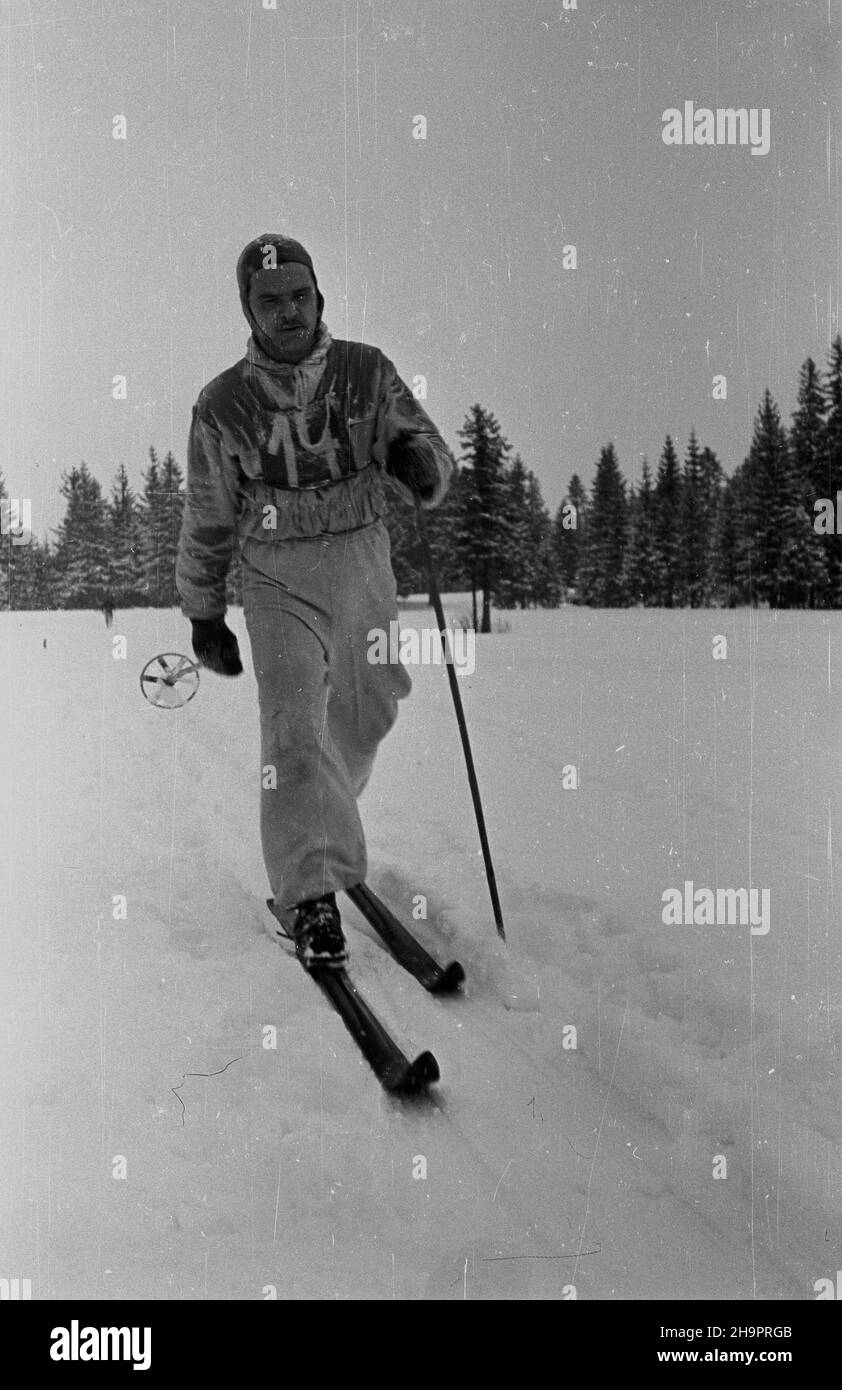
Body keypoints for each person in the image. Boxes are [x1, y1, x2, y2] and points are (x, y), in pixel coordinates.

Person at [175, 233, 454, 969]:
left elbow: (426, 444)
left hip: (362, 557)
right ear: (249, 310)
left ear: (319, 297)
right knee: (293, 725)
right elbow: (207, 511)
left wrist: (415, 459)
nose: (288, 311)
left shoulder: (367, 370)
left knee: (374, 703)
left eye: (299, 296)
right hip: (275, 574)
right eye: (270, 301)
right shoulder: (222, 402)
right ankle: (309, 896)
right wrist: (203, 612)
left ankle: (327, 809)